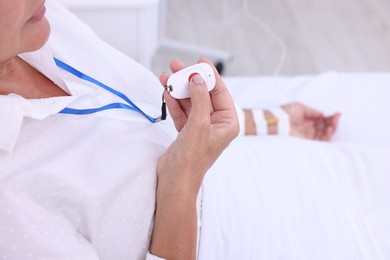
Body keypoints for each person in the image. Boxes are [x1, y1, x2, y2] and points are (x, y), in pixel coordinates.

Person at [0, 1, 338, 260]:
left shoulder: (41, 23)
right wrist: (182, 183)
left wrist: (271, 121)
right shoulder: (10, 208)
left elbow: (144, 117)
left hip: (259, 173)